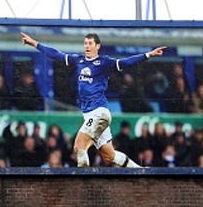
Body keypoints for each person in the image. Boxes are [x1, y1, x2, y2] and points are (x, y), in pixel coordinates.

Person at [20, 32, 166, 168]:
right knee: (110, 157)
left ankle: (84, 185)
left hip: (99, 113)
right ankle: (139, 170)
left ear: (97, 46)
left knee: (79, 147)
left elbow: (126, 62)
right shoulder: (79, 60)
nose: (87, 46)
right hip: (90, 115)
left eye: (90, 43)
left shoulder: (104, 62)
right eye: (85, 43)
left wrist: (149, 54)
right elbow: (56, 54)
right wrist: (34, 44)